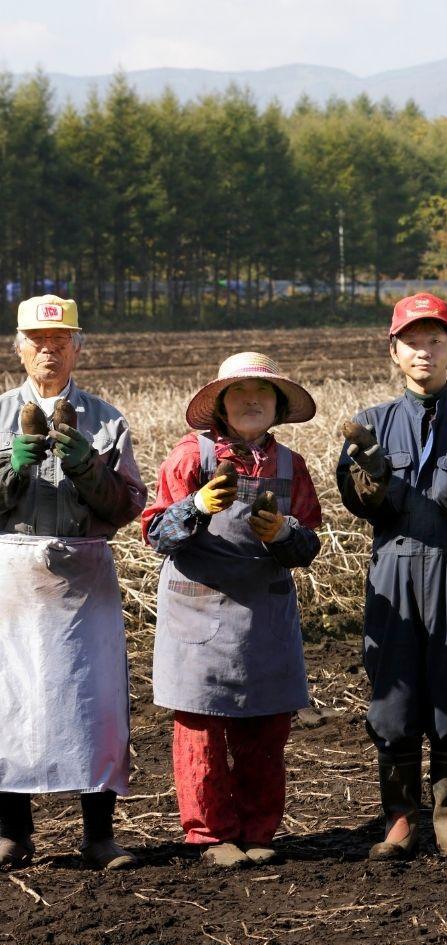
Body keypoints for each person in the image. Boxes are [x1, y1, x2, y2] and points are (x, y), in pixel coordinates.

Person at [337, 293, 447, 860]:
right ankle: (398, 818)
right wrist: (368, 474)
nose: (424, 351)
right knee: (392, 698)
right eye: (412, 341)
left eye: (435, 340)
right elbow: (361, 505)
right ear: (394, 351)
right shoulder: (369, 424)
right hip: (391, 569)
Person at [143, 353, 322, 868]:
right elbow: (156, 533)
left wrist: (284, 533)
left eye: (263, 394)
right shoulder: (189, 456)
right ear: (220, 403)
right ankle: (210, 835)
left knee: (267, 727)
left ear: (277, 407)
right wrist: (197, 506)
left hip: (266, 614)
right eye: (239, 393)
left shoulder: (290, 466)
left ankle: (258, 829)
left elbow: (308, 544)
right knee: (201, 727)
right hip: (198, 613)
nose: (251, 401)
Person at [0, 295, 147, 870]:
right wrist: (11, 468)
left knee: (95, 700)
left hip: (85, 577)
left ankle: (99, 835)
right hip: (12, 575)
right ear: (17, 347)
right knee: (9, 701)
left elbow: (126, 505)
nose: (48, 350)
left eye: (60, 342)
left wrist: (88, 466)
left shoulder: (108, 420)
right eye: (37, 341)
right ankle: (13, 832)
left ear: (78, 348)